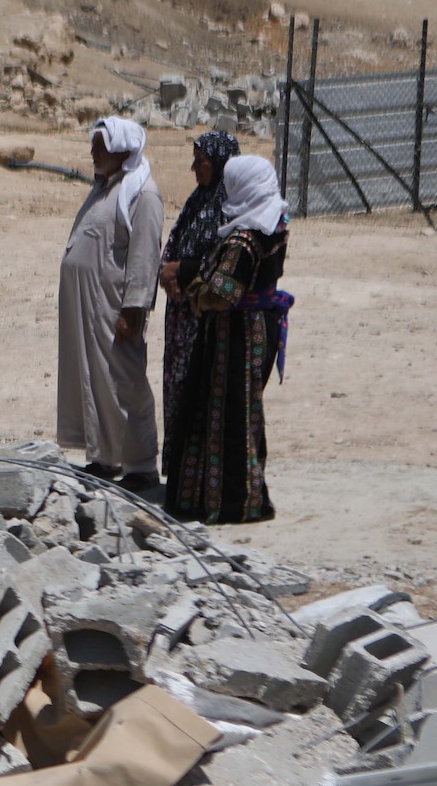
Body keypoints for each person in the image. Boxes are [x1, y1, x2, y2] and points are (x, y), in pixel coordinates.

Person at [162, 155, 292, 523]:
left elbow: (222, 292)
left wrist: (195, 291)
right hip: (255, 328)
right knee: (242, 411)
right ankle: (234, 496)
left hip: (234, 336)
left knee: (225, 414)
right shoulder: (274, 221)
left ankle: (229, 502)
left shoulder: (244, 236)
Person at [57, 117, 165, 490]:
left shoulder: (143, 194)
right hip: (89, 306)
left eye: (100, 146)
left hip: (115, 308)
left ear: (122, 149)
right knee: (93, 379)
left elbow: (145, 255)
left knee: (124, 381)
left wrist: (133, 308)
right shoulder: (105, 187)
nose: (93, 152)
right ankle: (104, 457)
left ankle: (140, 465)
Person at [157, 131, 240, 460]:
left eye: (201, 162)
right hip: (179, 316)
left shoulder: (231, 206)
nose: (194, 168)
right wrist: (167, 272)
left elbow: (225, 258)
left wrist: (183, 271)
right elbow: (174, 240)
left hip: (204, 319)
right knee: (176, 388)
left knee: (199, 391)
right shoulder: (197, 199)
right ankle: (178, 470)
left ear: (221, 164)